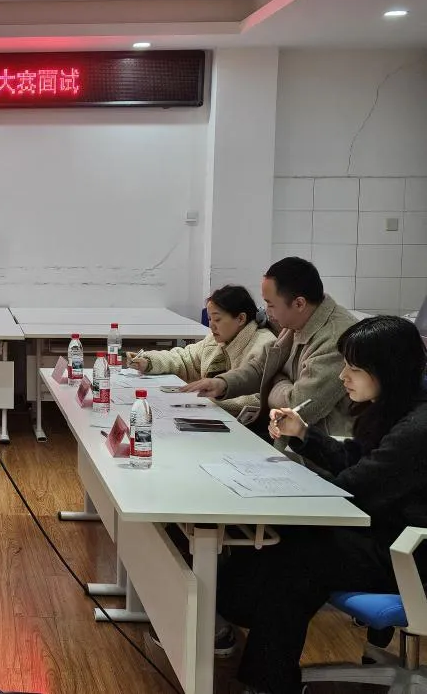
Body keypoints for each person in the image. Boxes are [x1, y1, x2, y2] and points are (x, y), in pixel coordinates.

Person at [216, 315, 427, 694]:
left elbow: (355, 488)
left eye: (355, 368)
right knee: (283, 545)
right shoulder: (395, 408)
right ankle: (245, 634)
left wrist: (282, 488)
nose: (343, 376)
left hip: (411, 556)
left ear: (389, 370)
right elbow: (357, 462)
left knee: (298, 557)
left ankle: (267, 680)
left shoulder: (418, 428)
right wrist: (303, 434)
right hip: (386, 536)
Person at [183, 257, 357, 439]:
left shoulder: (336, 339)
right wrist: (223, 384)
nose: (266, 311)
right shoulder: (297, 321)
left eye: (271, 304)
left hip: (319, 448)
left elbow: (297, 407)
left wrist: (275, 377)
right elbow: (262, 367)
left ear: (299, 303)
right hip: (284, 436)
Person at [126, 285, 275, 416]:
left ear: (241, 319)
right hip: (212, 415)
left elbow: (257, 399)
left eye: (217, 319)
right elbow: (185, 359)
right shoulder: (215, 341)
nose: (211, 326)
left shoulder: (264, 345)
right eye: (209, 319)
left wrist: (208, 401)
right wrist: (149, 361)